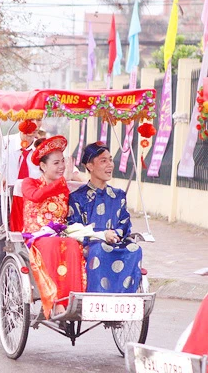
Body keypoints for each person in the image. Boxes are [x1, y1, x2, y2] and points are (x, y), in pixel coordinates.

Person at [21, 136, 85, 319]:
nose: (61, 166)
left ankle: (73, 300)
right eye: (56, 163)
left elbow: (86, 189)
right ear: (43, 166)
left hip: (60, 234)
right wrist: (62, 182)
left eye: (63, 162)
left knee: (73, 244)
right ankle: (56, 301)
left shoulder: (64, 185)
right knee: (51, 244)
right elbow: (36, 196)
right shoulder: (29, 183)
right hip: (36, 236)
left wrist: (74, 176)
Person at [67, 142, 142, 293]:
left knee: (135, 248)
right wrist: (101, 236)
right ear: (90, 166)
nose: (110, 165)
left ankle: (124, 296)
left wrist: (115, 235)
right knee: (100, 249)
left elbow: (124, 222)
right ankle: (98, 296)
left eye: (110, 159)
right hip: (91, 244)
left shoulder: (118, 195)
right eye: (103, 161)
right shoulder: (77, 197)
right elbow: (74, 226)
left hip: (116, 241)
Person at [0, 120, 42, 295]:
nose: (34, 124)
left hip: (33, 204)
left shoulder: (42, 147)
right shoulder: (3, 142)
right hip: (4, 200)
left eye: (38, 120)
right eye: (30, 119)